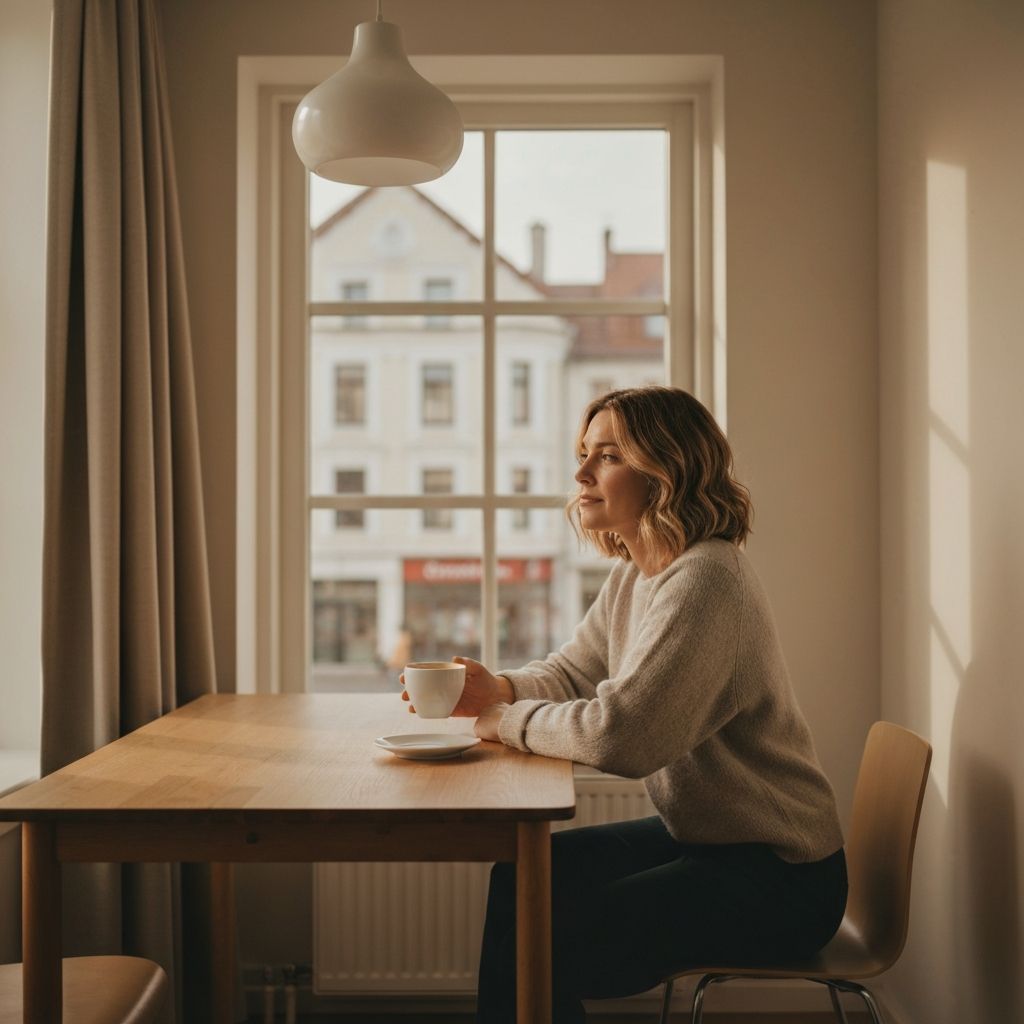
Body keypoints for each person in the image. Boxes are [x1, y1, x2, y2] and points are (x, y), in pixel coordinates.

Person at [401, 386, 847, 1024]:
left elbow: (624, 738)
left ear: (667, 471)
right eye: (584, 453)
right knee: (521, 879)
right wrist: (496, 688)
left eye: (608, 456)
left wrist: (505, 720)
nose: (582, 473)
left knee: (545, 941)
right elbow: (575, 671)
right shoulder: (638, 573)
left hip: (781, 874)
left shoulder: (706, 579)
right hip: (708, 840)